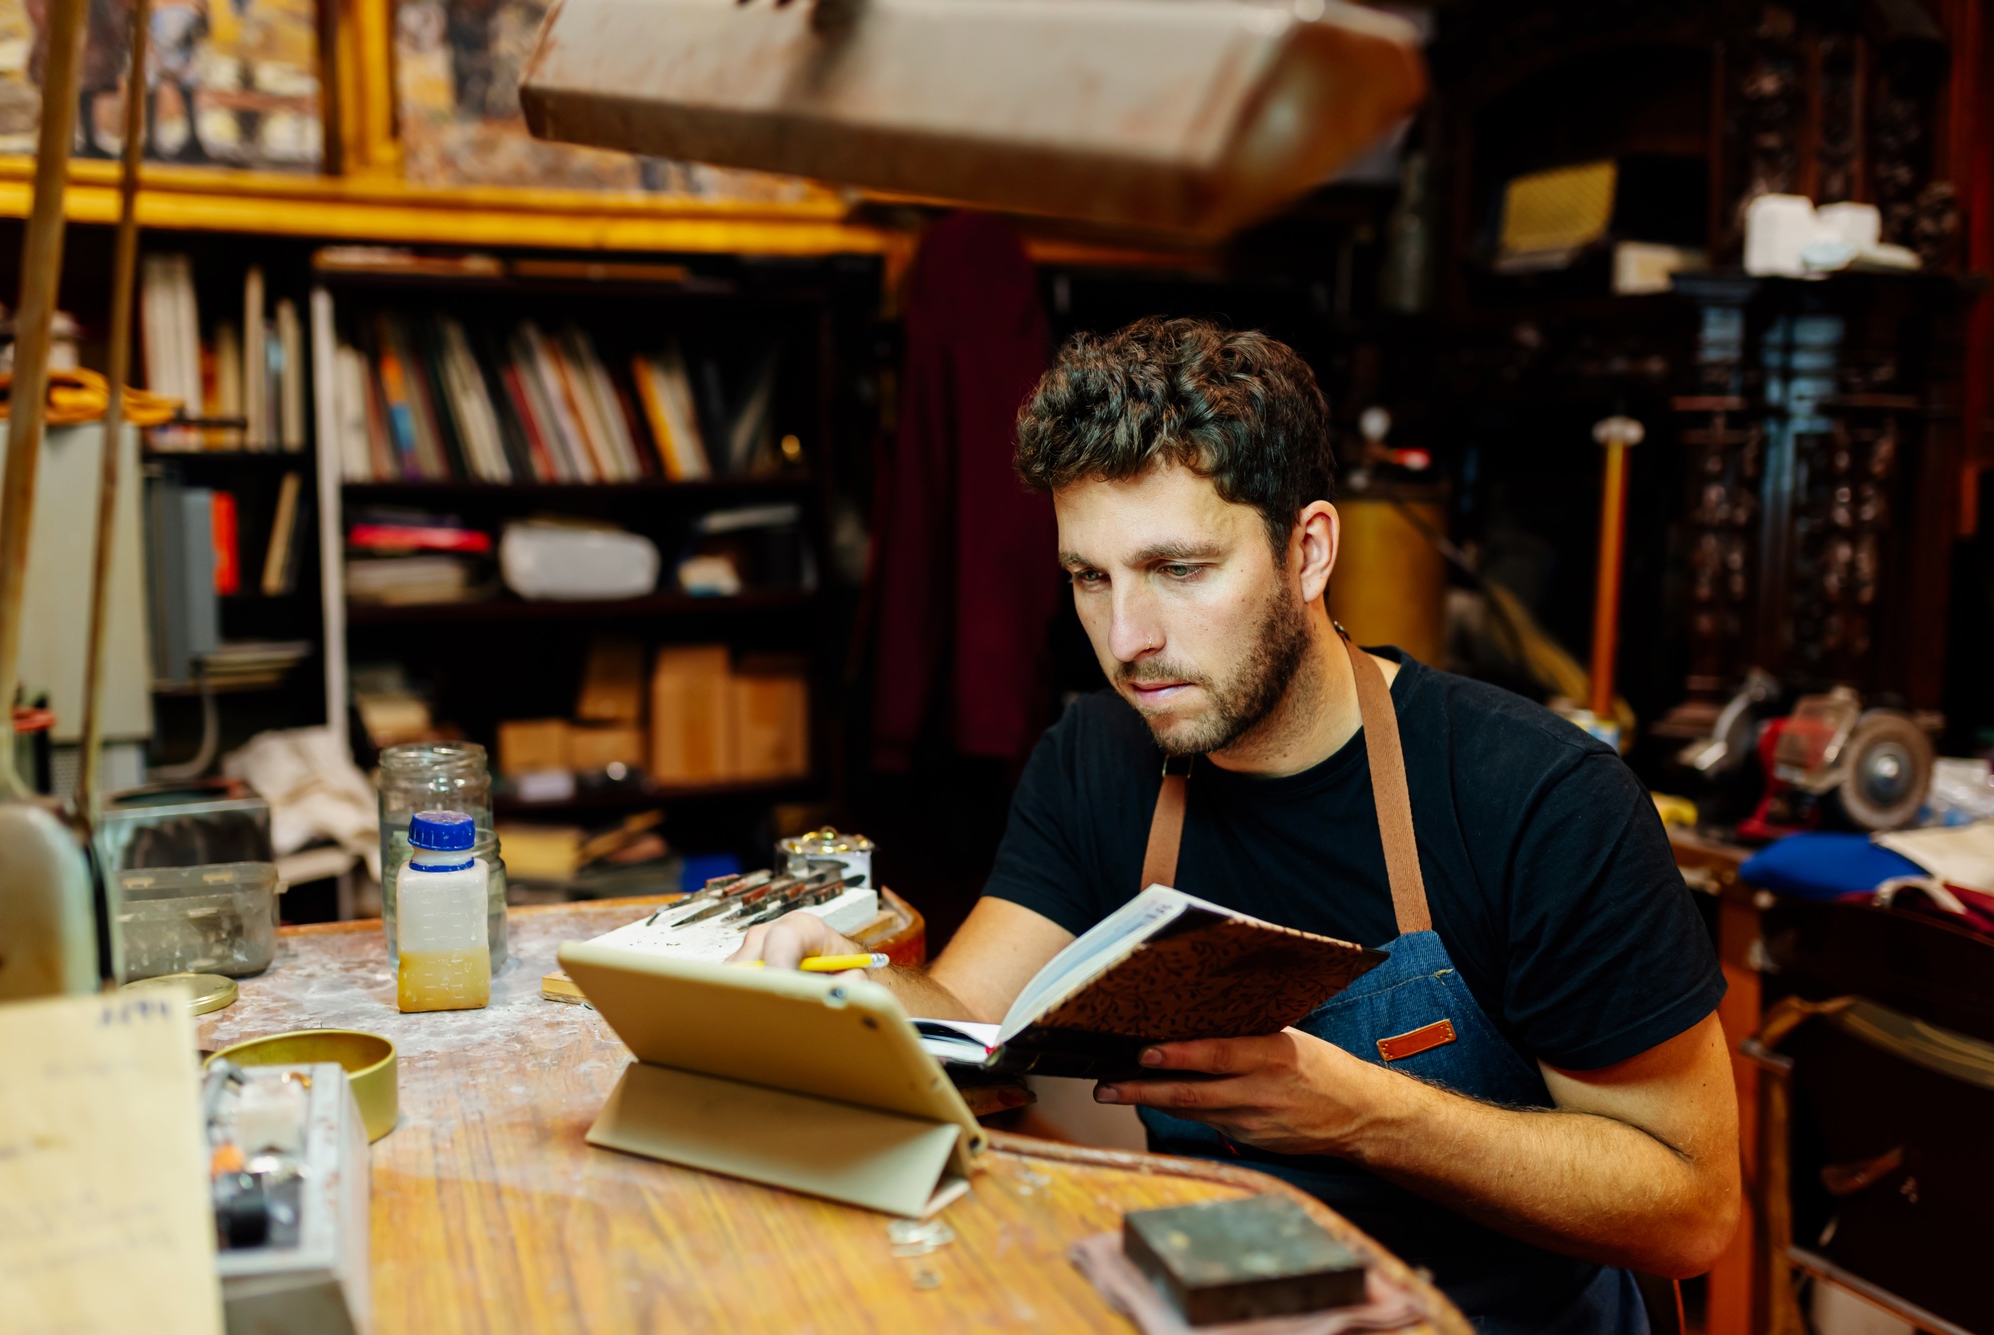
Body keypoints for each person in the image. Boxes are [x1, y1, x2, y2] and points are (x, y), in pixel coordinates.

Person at [733, 317, 1739, 1334]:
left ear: (1306, 551)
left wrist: (1368, 1119)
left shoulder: (1532, 798)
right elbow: (965, 1034)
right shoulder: (1093, 760)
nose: (1128, 641)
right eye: (1090, 578)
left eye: (1177, 570)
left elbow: (1689, 1211)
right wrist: (856, 993)